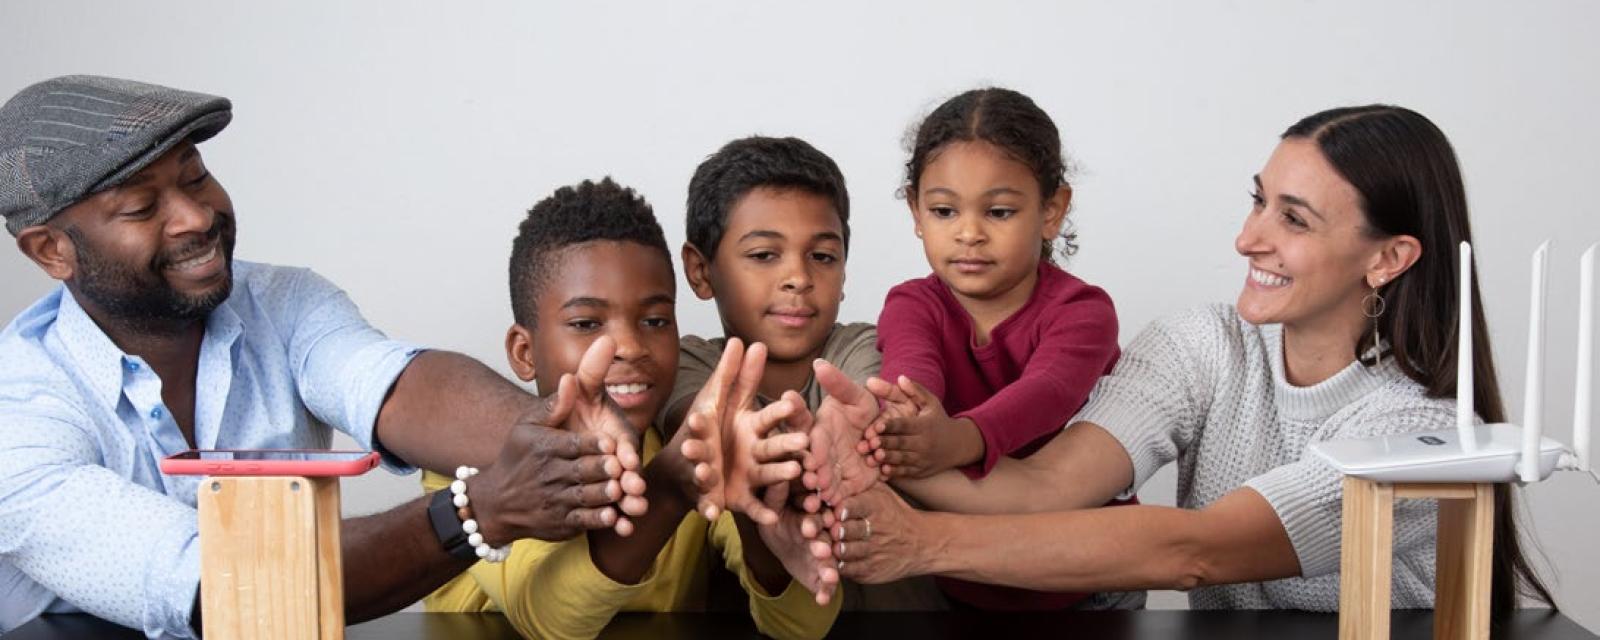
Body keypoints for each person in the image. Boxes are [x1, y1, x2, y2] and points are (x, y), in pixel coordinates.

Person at [831, 105, 1557, 615]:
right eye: (1258, 201)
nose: (1248, 239)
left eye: (1292, 219)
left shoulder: (1416, 432)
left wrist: (921, 542)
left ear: (1389, 258)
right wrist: (878, 452)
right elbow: (1048, 485)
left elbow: (1195, 553)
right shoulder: (1204, 344)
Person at [0, 76, 645, 638]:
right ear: (51, 251)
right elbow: (228, 585)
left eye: (196, 177)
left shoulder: (283, 302)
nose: (195, 217)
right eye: (142, 207)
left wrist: (566, 435)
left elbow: (394, 385)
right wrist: (477, 512)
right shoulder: (16, 416)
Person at [420, 177, 841, 639]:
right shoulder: (465, 459)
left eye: (655, 320)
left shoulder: (685, 445)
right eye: (586, 323)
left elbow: (802, 628)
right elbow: (550, 621)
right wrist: (670, 486)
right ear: (524, 352)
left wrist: (754, 505)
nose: (630, 346)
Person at [864, 87, 1136, 611]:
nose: (969, 233)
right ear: (915, 212)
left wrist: (958, 439)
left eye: (1000, 212)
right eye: (943, 211)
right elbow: (911, 370)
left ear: (1052, 210)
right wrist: (908, 416)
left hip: (1085, 583)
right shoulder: (911, 304)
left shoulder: (1083, 312)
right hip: (958, 582)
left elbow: (1047, 393)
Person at [666, 135, 946, 611]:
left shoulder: (862, 346)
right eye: (763, 255)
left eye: (822, 256)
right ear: (700, 270)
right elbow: (695, 427)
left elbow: (872, 406)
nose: (799, 277)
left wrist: (872, 424)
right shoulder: (688, 364)